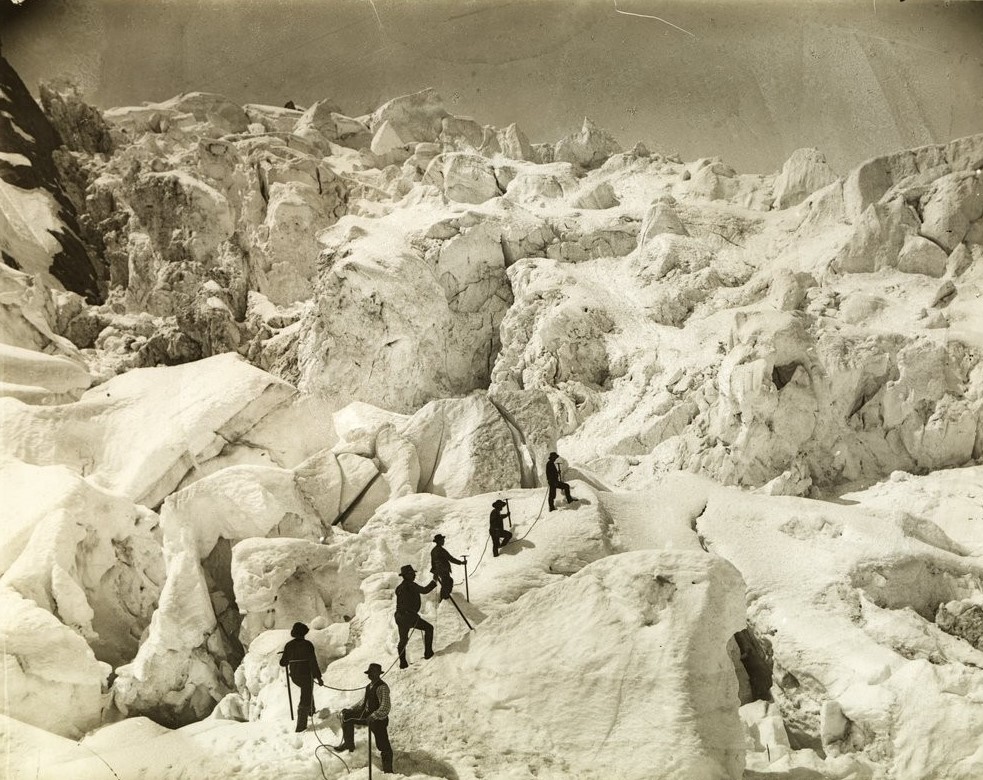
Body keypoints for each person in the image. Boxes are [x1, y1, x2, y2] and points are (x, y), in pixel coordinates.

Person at [332, 662, 394, 774]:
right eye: (369, 673)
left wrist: (374, 715)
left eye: (373, 673)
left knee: (383, 745)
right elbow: (362, 703)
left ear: (378, 674)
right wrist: (351, 709)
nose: (370, 675)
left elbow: (385, 706)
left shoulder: (382, 687)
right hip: (366, 716)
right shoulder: (369, 686)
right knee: (347, 717)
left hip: (379, 720)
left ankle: (388, 770)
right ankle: (349, 744)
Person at [279, 622, 324, 732]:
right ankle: (301, 726)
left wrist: (287, 656)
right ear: (304, 633)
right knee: (306, 695)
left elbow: (283, 663)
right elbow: (313, 662)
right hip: (306, 675)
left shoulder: (289, 645)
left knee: (307, 690)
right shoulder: (308, 645)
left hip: (295, 676)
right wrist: (318, 677)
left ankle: (311, 711)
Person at [395, 564, 437, 669]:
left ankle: (403, 663)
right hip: (409, 617)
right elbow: (425, 590)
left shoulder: (399, 588)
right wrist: (434, 581)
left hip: (399, 617)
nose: (414, 575)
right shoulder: (411, 585)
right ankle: (428, 653)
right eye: (412, 573)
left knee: (403, 640)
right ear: (407, 575)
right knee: (429, 628)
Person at [429, 534, 464, 600]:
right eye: (442, 540)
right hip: (443, 570)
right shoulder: (441, 550)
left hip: (439, 570)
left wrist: (435, 572)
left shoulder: (433, 550)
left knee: (449, 581)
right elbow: (451, 558)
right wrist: (461, 562)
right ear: (439, 541)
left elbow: (433, 563)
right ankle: (444, 598)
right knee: (446, 584)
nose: (443, 541)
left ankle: (446, 596)